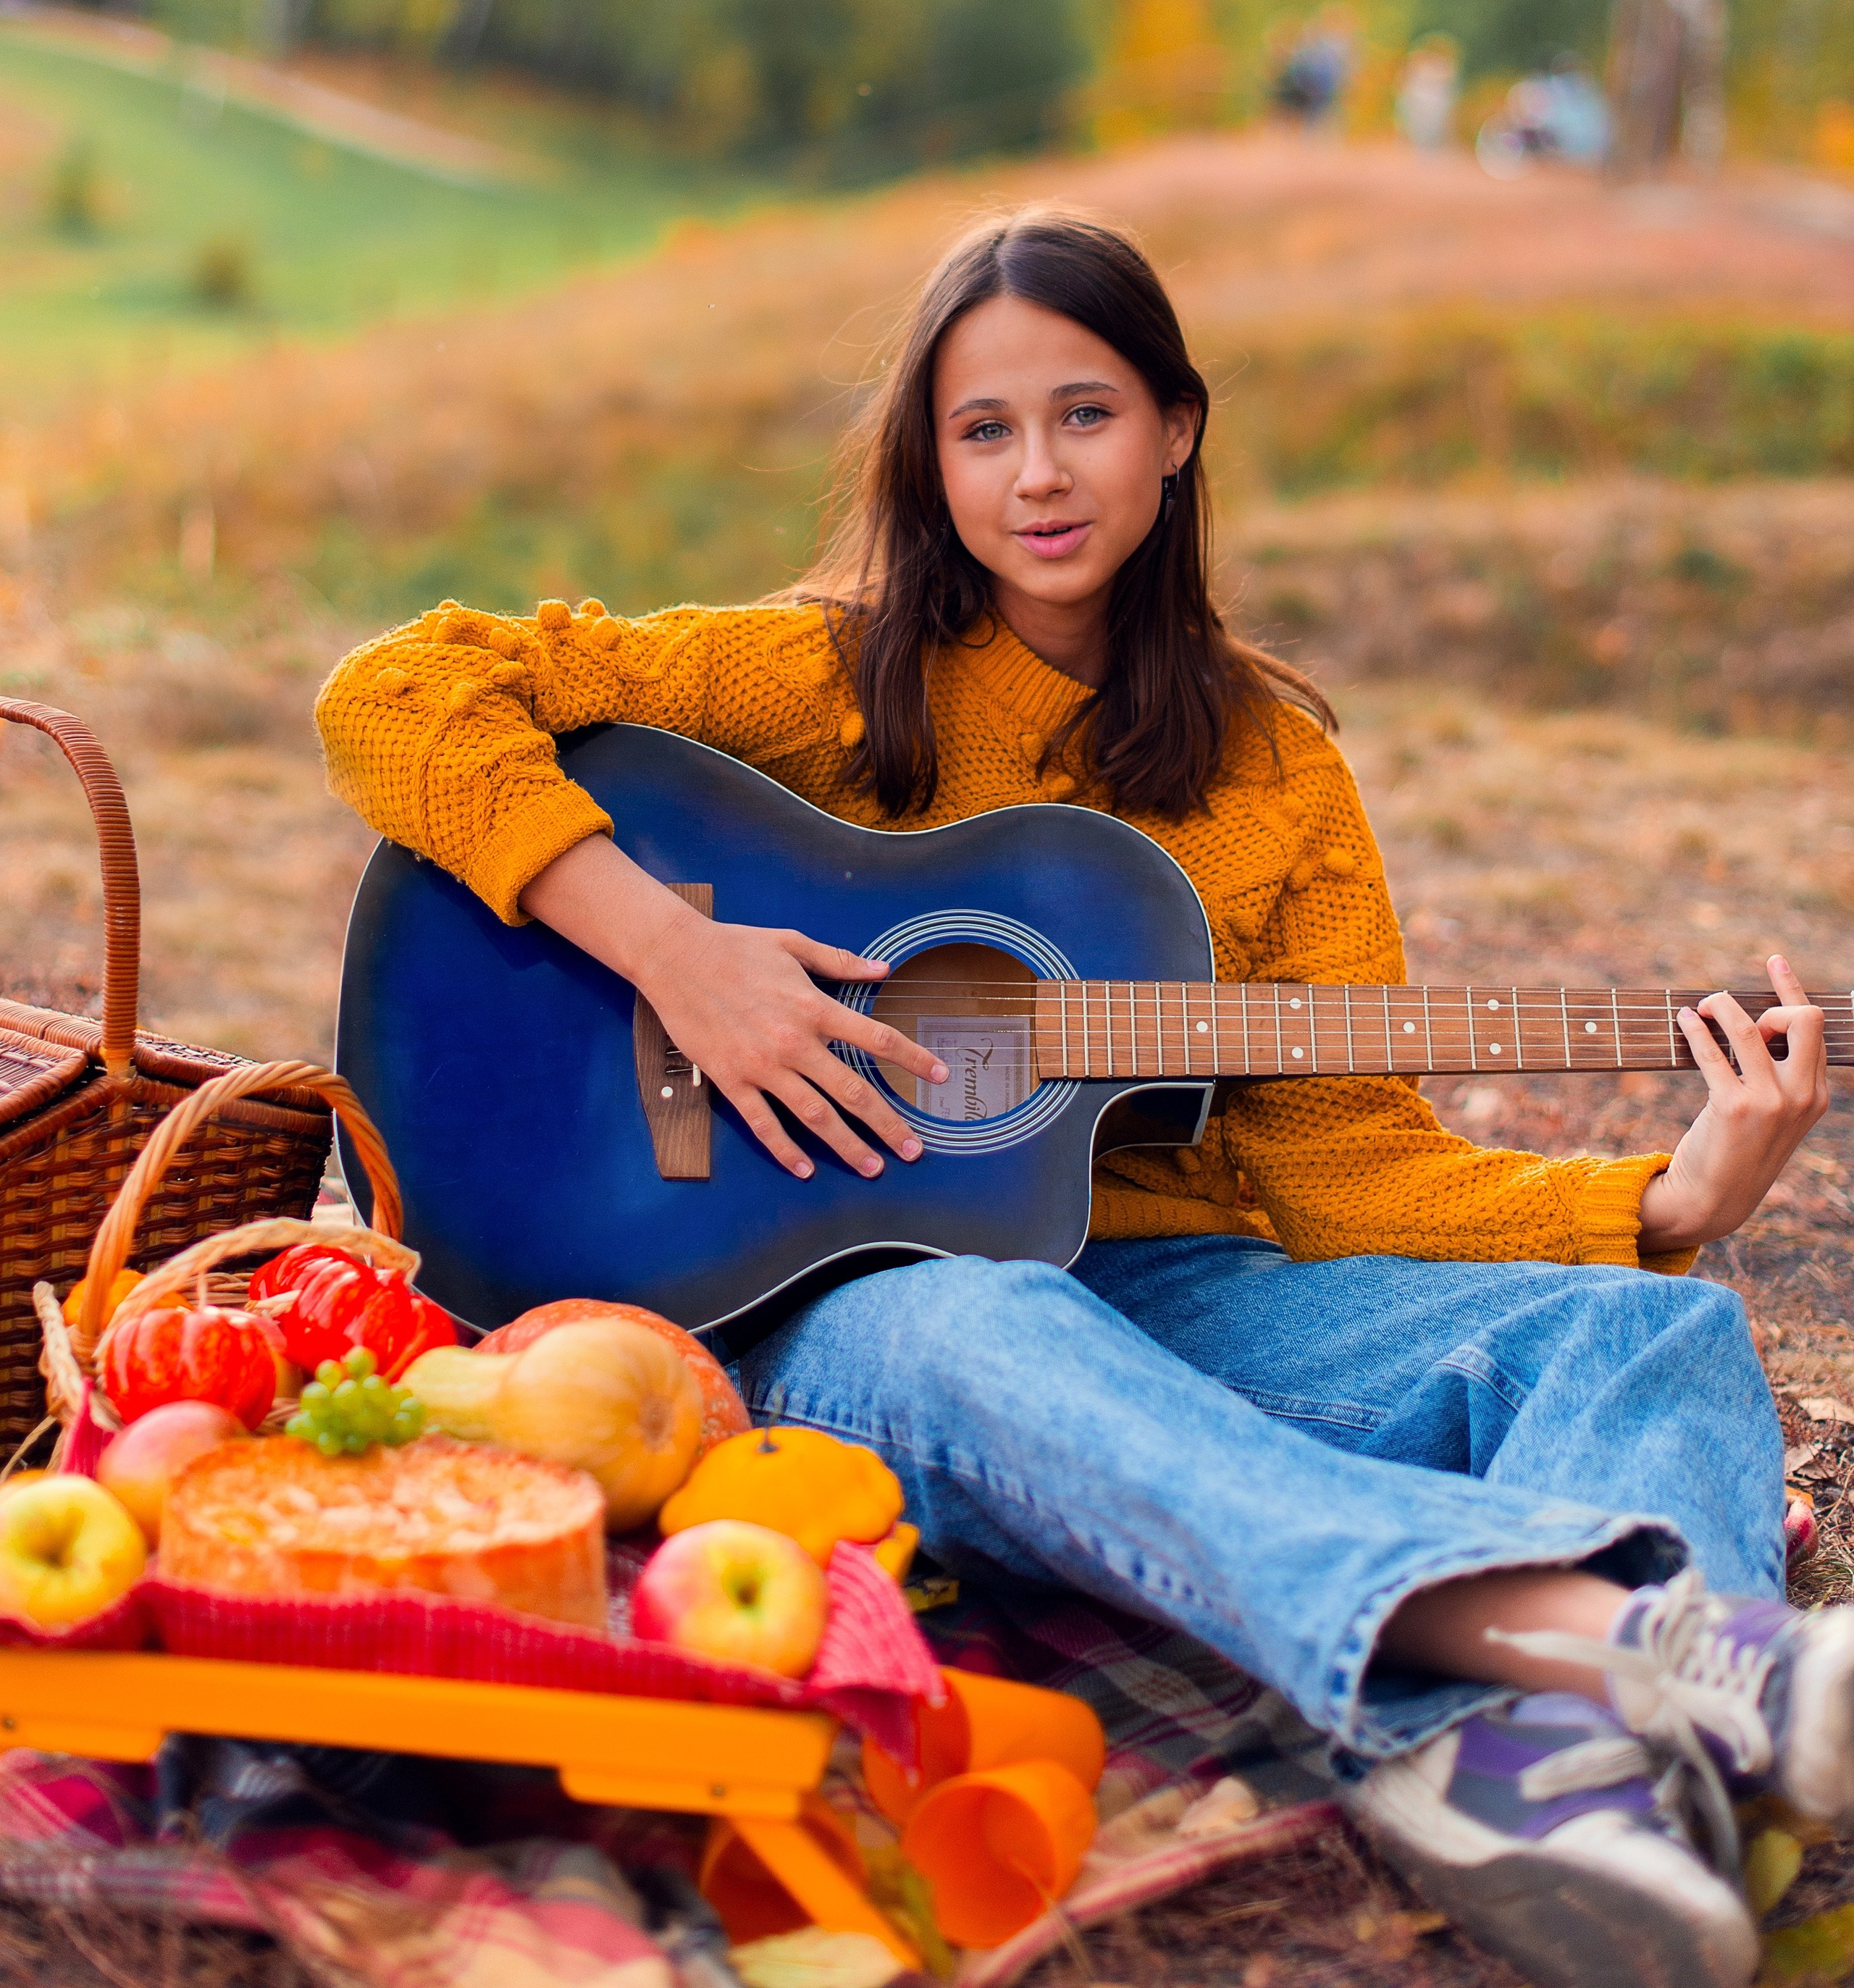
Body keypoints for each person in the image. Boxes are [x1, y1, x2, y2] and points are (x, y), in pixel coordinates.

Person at [317, 210, 1837, 1988]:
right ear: (929, 461)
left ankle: (1519, 1768)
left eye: (1084, 414)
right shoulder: (825, 672)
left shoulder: (1275, 769)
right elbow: (394, 693)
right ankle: (1651, 1659)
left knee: (1649, 1337)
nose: (1035, 473)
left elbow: (1346, 1173)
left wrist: (1664, 1203)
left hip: (1169, 1299)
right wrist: (676, 952)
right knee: (989, 1327)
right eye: (983, 430)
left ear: (1176, 427)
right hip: (841, 1302)